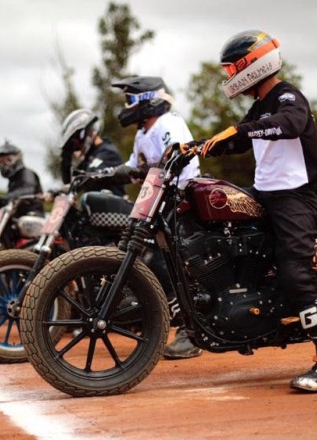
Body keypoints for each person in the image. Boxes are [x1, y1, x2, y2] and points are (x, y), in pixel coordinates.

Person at [196, 30, 317, 392]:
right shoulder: (260, 105)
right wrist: (199, 146)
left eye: (232, 69)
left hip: (293, 197)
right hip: (265, 194)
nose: (229, 77)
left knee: (295, 271)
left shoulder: (287, 97)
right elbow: (239, 138)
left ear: (253, 66)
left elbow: (290, 124)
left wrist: (242, 129)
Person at [111, 76, 202, 360]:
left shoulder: (168, 123)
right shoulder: (143, 133)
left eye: (129, 100)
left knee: (180, 262)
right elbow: (131, 167)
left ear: (146, 101)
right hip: (155, 201)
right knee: (139, 254)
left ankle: (192, 329)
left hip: (183, 198)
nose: (125, 107)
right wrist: (99, 177)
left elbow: (177, 159)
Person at [59, 108, 126, 196]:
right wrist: (65, 158)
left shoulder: (108, 152)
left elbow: (89, 174)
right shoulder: (89, 158)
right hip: (96, 208)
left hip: (114, 206)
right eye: (73, 145)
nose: (77, 147)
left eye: (77, 141)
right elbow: (69, 183)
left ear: (86, 133)